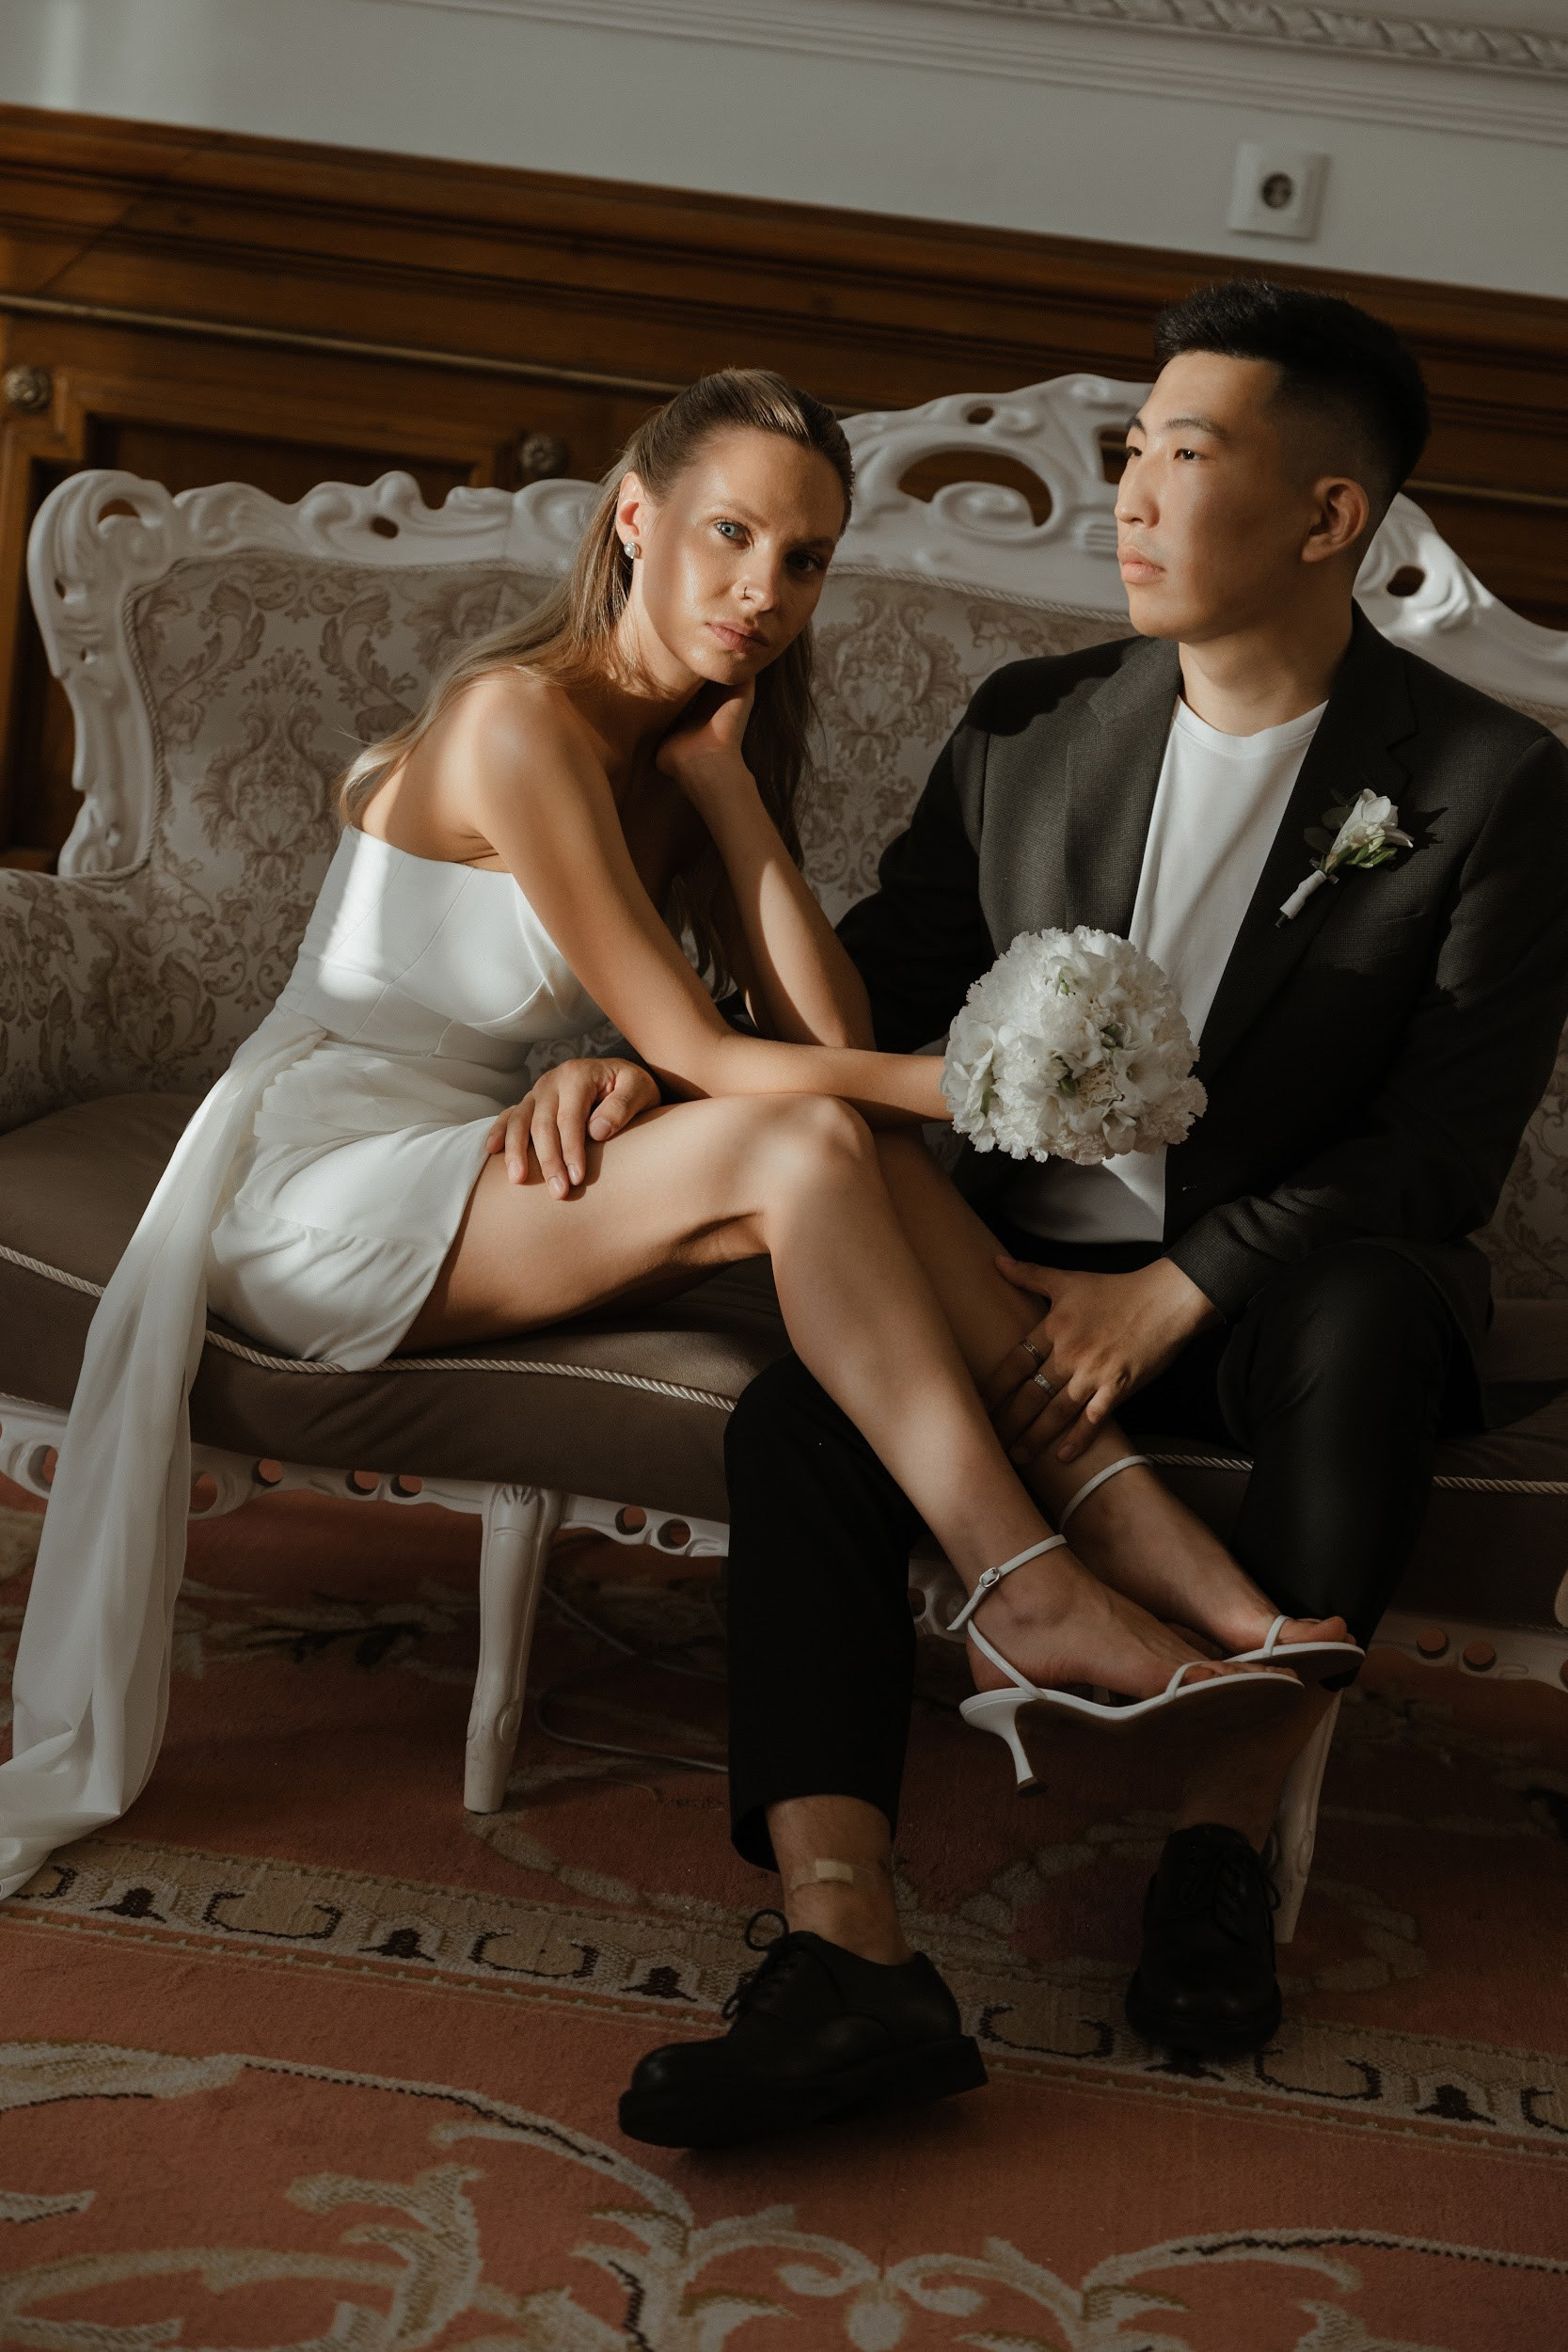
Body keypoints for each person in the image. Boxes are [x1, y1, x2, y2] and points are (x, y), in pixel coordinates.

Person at [0, 366, 1307, 2029]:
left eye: (806, 559)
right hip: (311, 1189)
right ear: (636, 517)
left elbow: (811, 1033)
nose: (766, 590)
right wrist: (992, 1088)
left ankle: (1098, 1533)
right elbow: (710, 1049)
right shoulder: (517, 720)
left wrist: (728, 797)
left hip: (473, 1160)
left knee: (837, 1138)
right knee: (810, 1141)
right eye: (731, 536)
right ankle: (1036, 1573)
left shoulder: (669, 747)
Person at [610, 284, 1568, 2147]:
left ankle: (1218, 1845)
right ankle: (841, 1939)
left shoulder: (1488, 783)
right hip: (999, 1272)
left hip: (1284, 1296)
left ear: (1328, 515)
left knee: (1373, 1318)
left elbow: (1442, 1152)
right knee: (805, 1418)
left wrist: (1183, 1285)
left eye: (1182, 456)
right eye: (1132, 451)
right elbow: (869, 1008)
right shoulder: (1032, 724)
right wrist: (638, 1075)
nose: (1127, 494)